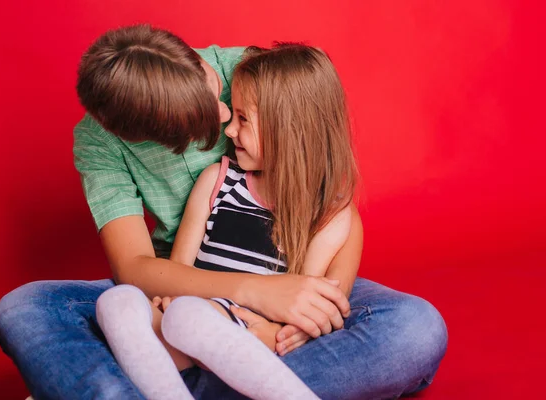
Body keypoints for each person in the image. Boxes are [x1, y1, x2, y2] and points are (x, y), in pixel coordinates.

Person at [0, 25, 448, 400]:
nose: (226, 113)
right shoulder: (101, 141)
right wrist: (250, 292)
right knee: (23, 309)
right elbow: (134, 268)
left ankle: (133, 385)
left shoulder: (252, 73)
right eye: (210, 119)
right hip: (179, 280)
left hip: (289, 271)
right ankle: (215, 376)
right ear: (147, 133)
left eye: (218, 92)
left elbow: (335, 210)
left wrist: (308, 308)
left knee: (417, 327)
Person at [96, 44, 357, 400]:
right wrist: (167, 301)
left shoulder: (329, 212)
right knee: (116, 302)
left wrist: (283, 331)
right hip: (189, 311)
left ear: (291, 128)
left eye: (242, 118)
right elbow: (179, 271)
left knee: (187, 317)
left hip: (245, 327)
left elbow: (310, 296)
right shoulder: (217, 180)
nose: (228, 130)